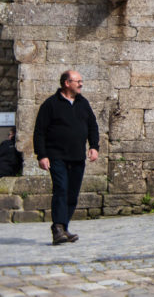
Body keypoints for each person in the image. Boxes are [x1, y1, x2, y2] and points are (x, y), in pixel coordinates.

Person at [33, 70, 99, 245]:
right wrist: (42, 155)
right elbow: (39, 131)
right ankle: (58, 229)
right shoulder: (51, 104)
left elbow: (92, 126)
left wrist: (94, 146)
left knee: (72, 193)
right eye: (77, 81)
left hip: (77, 156)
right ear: (66, 83)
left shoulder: (83, 103)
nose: (81, 84)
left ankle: (64, 227)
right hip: (57, 156)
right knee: (61, 189)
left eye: (81, 81)